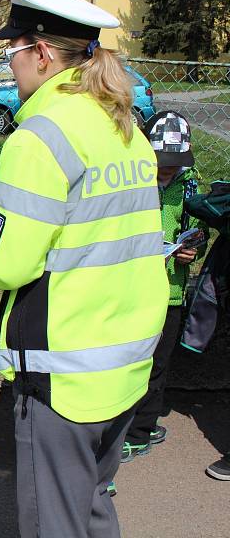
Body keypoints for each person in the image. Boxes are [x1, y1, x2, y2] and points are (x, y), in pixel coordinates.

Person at [0, 0, 168, 538]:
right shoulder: (123, 124)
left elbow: (6, 264)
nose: (11, 64)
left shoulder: (40, 137)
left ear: (42, 53)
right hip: (124, 361)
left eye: (14, 51)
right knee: (93, 501)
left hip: (64, 369)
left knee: (54, 520)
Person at [122, 111, 207, 463]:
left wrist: (192, 249)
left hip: (170, 291)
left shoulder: (187, 184)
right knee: (128, 363)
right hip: (129, 289)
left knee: (158, 364)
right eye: (161, 163)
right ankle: (122, 425)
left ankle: (141, 431)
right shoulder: (129, 181)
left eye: (175, 163)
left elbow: (199, 228)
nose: (167, 169)